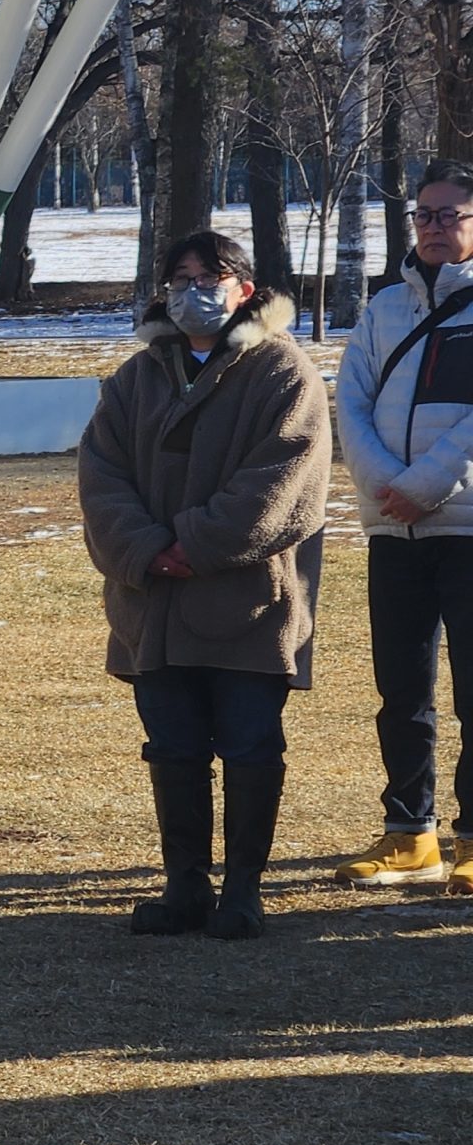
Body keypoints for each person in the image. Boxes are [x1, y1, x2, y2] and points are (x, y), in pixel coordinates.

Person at [76, 233, 330, 940]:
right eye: (180, 277)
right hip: (151, 605)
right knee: (173, 747)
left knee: (251, 745)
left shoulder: (283, 371)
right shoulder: (135, 379)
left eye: (211, 276)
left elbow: (286, 481)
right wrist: (148, 550)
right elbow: (101, 477)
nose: (195, 289)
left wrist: (196, 542)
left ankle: (244, 890)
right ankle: (184, 885)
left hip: (248, 602)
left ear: (244, 289)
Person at [331, 159, 473, 894]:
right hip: (397, 531)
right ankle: (409, 833)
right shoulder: (384, 306)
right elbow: (349, 402)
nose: (434, 228)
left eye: (450, 215)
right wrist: (385, 488)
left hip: (465, 525)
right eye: (424, 214)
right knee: (402, 688)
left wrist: (421, 485)